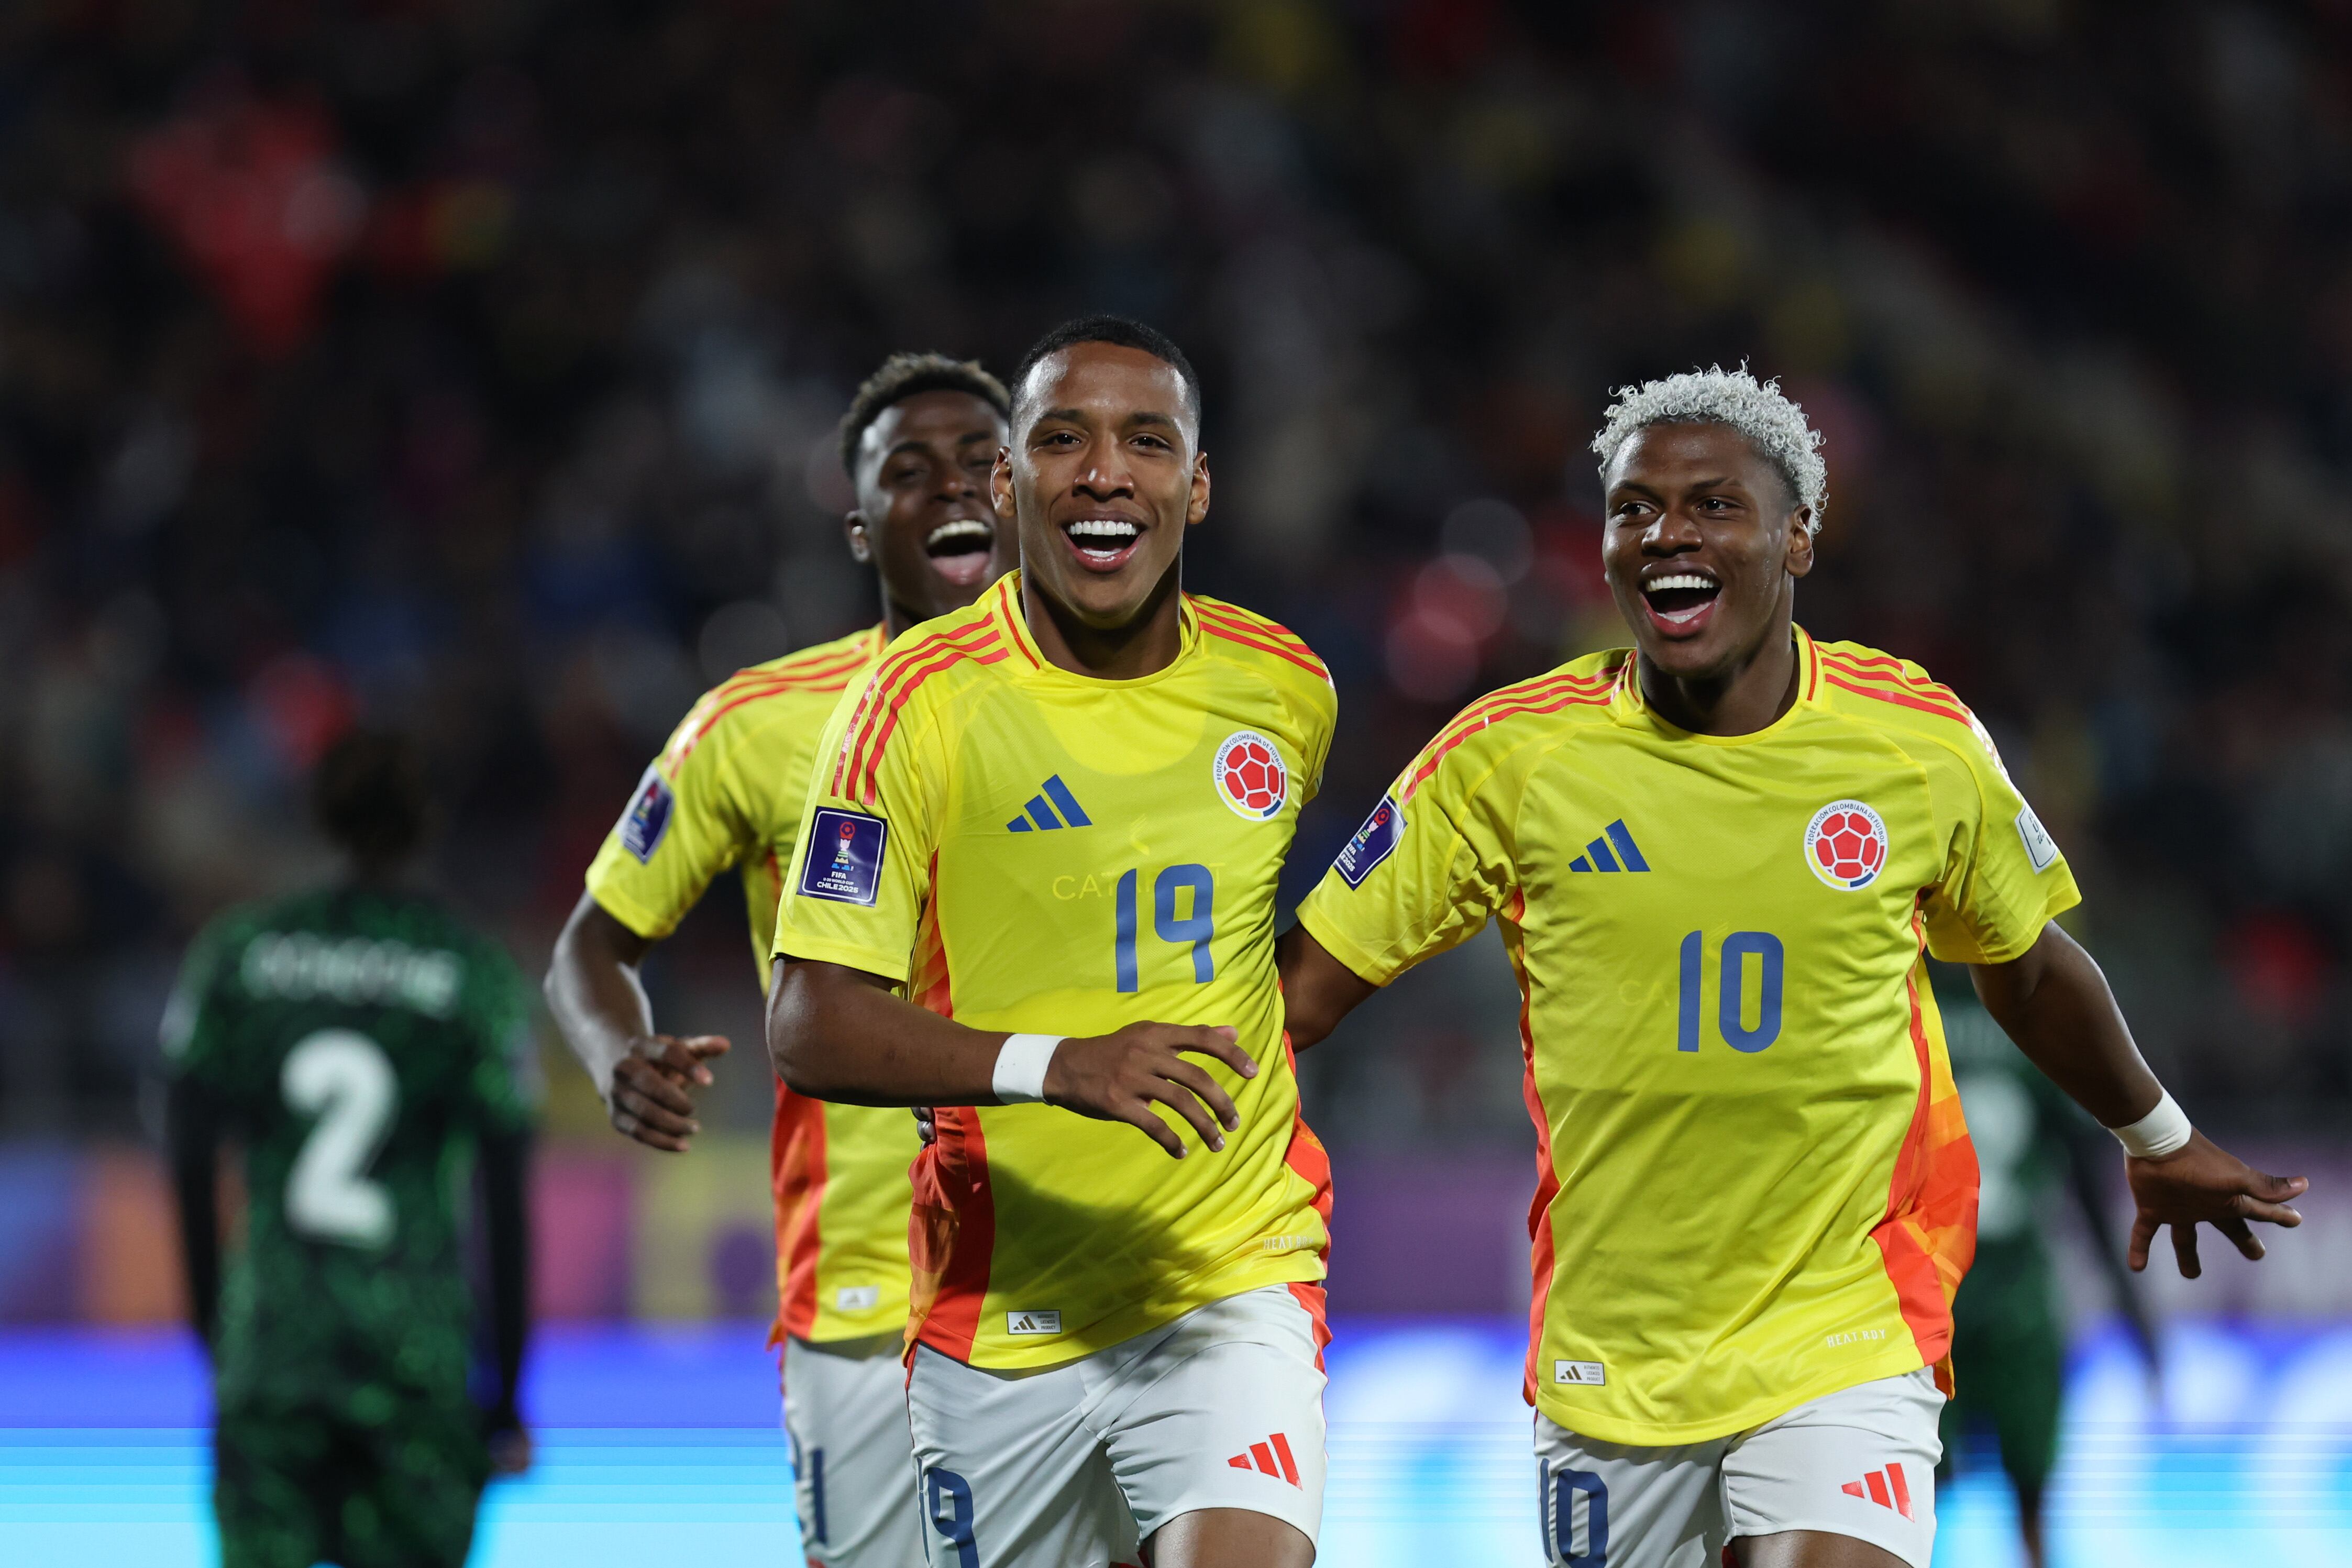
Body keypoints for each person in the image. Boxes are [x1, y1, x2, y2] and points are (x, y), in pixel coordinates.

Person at [1276, 367, 2306, 1568]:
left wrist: (2156, 1134)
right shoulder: (1509, 757)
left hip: (1849, 1332)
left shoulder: (1911, 741)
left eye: (1713, 504)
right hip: (1616, 1350)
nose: (1667, 533)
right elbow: (1297, 993)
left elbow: (2024, 966)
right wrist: (1111, 1060)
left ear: (1797, 536)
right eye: (1633, 508)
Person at [766, 315, 1337, 1568]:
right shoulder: (910, 702)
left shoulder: (1285, 687)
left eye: (1147, 441)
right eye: (1063, 439)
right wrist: (1057, 1064)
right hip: (999, 1312)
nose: (1104, 472)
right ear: (1005, 480)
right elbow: (807, 1019)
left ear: (1197, 484)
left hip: (1225, 1277)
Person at [544, 351, 1017, 1568]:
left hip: (1094, 1267)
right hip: (866, 1286)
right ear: (860, 528)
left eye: (981, 460)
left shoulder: (1139, 707)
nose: (950, 485)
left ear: (1025, 492)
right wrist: (615, 1049)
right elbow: (592, 942)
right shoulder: (758, 724)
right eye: (908, 470)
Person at [163, 730, 539, 1568]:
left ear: (318, 814)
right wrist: (507, 1393)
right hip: (416, 1351)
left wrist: (216, 1331)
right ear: (427, 821)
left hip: (273, 1342)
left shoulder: (239, 954)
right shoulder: (471, 970)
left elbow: (187, 1152)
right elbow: (504, 1195)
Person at [1936, 989, 2157, 1568]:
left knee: (1915, 1494)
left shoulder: (1907, 998)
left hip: (1929, 1295)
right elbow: (2085, 1184)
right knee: (2031, 1493)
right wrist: (2138, 1317)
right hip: (2018, 1301)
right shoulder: (2035, 1010)